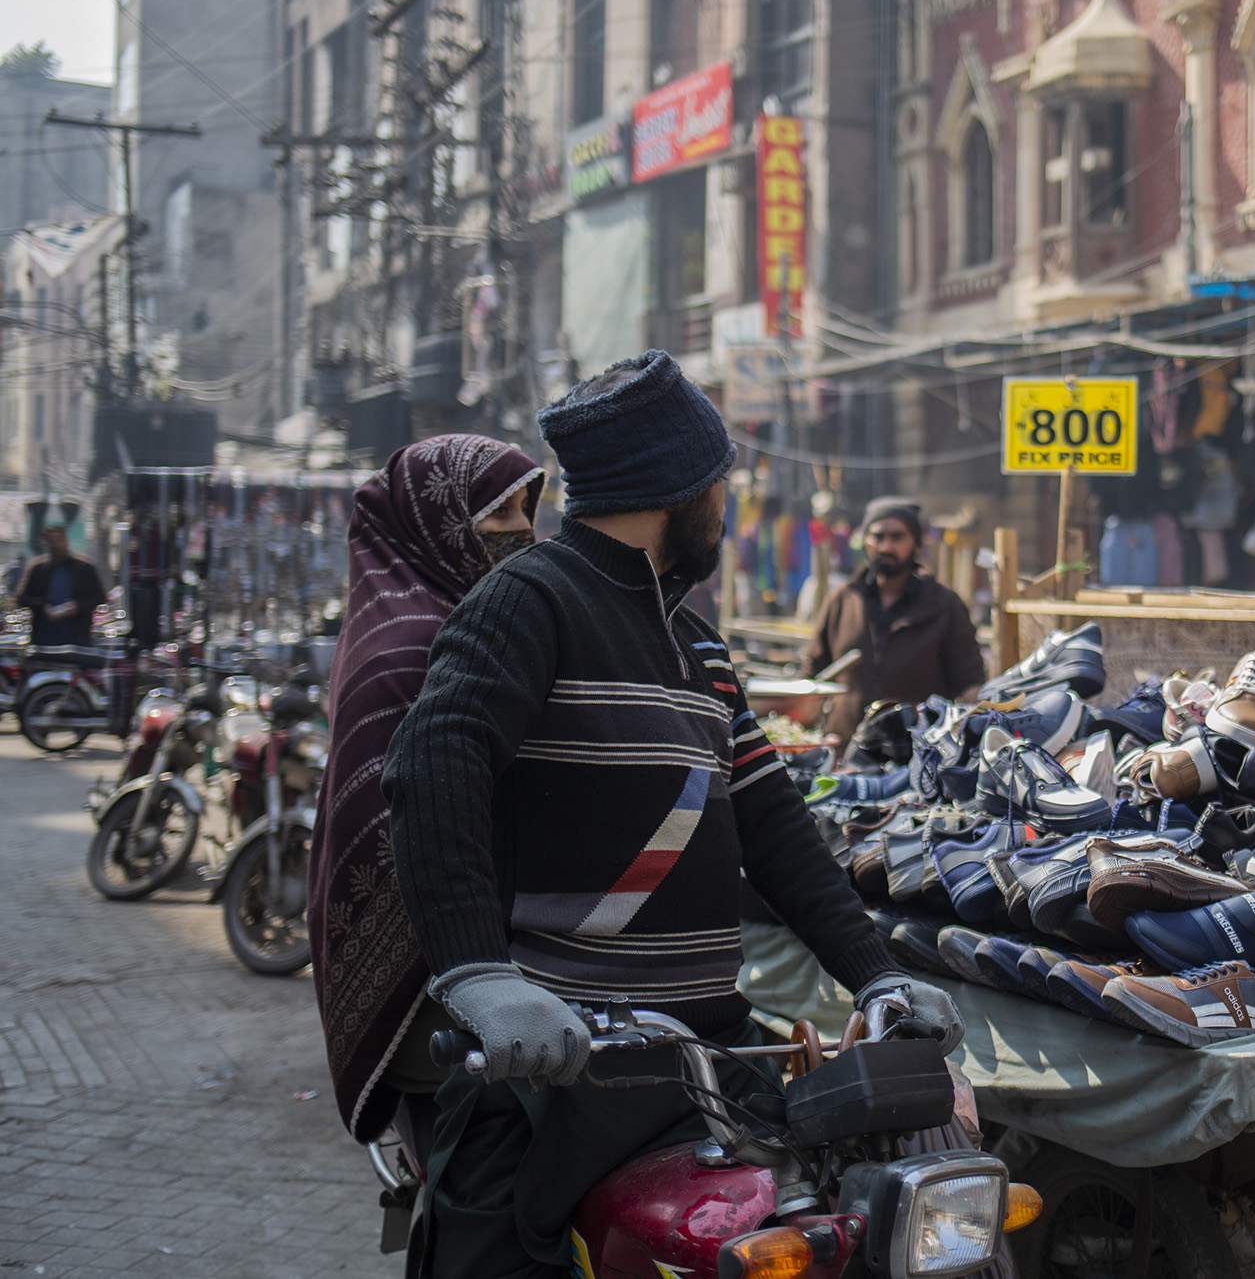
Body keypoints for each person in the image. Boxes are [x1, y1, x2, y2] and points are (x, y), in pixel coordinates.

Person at [382, 350, 961, 1278]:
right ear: (678, 487)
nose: (725, 509)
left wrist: (877, 976)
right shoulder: (529, 600)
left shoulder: (697, 641)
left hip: (709, 1065)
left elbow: (774, 825)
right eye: (720, 485)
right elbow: (430, 763)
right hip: (556, 1070)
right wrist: (477, 974)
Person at [308, 434, 544, 1155]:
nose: (524, 530)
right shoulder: (418, 643)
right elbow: (417, 831)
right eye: (499, 512)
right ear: (437, 525)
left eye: (528, 508)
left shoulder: (436, 618)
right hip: (432, 986)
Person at [806, 496, 984, 742]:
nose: (886, 547)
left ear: (917, 545)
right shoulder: (842, 600)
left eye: (897, 537)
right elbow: (813, 672)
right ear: (865, 541)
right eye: (878, 537)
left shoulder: (944, 605)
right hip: (845, 748)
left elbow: (969, 680)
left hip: (917, 752)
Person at [16, 524, 106, 647]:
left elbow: (99, 597)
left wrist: (78, 606)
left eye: (59, 541)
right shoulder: (37, 569)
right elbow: (22, 597)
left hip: (76, 635)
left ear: (66, 541)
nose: (56, 545)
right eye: (51, 541)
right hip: (44, 635)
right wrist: (43, 608)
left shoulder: (84, 568)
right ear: (46, 543)